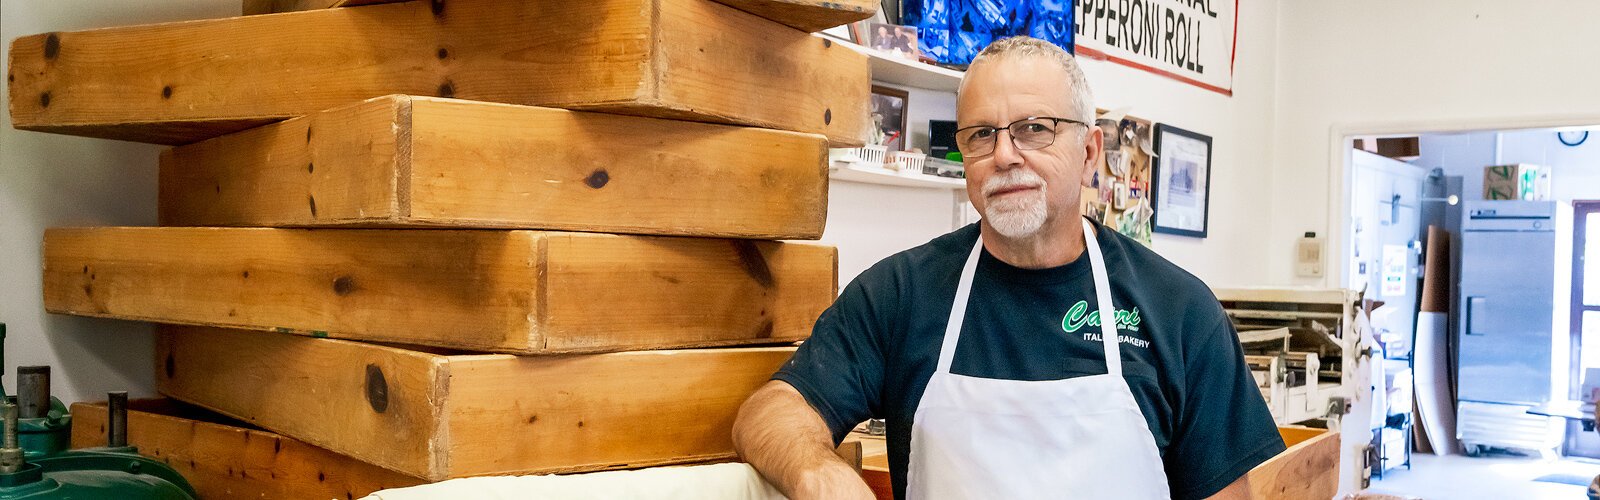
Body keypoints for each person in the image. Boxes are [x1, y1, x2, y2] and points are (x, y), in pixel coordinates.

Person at [731, 36, 1285, 500]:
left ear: (1091, 152)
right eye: (980, 135)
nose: (1004, 155)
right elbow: (772, 409)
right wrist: (815, 469)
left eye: (1034, 128)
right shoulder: (902, 294)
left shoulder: (1178, 310)